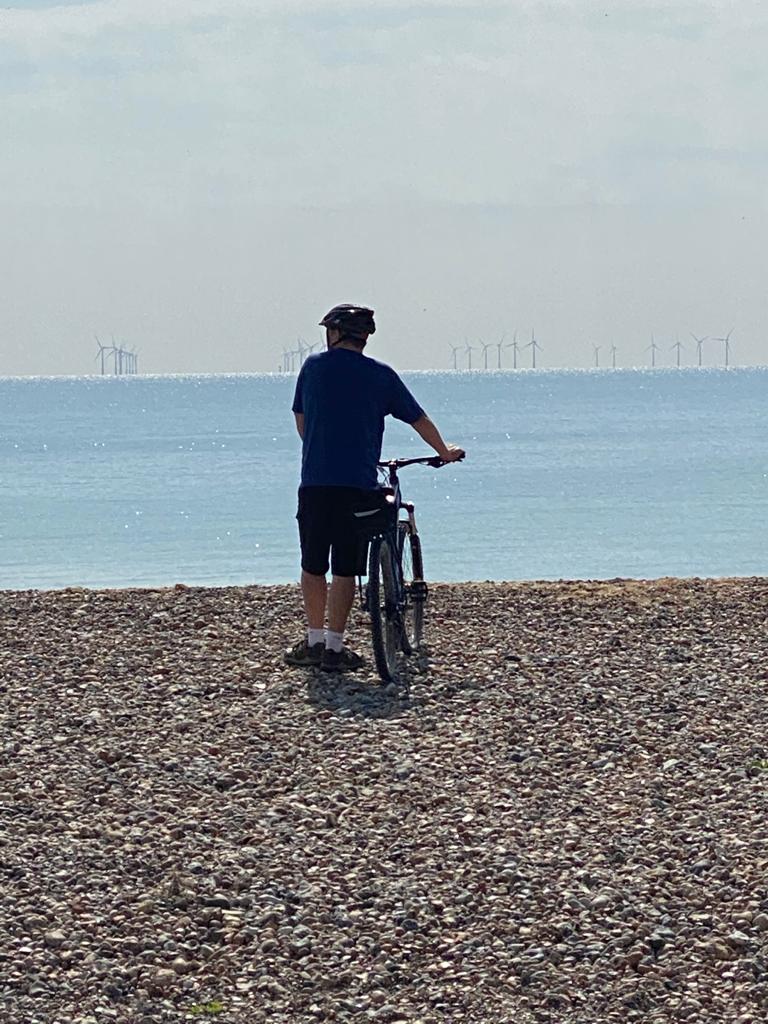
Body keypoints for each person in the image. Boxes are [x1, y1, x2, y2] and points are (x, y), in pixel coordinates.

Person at [284, 303, 465, 673]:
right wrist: (443, 452)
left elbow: (301, 421)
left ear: (335, 334)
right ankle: (336, 648)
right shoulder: (380, 375)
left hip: (316, 483)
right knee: (346, 568)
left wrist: (320, 446)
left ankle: (314, 641)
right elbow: (418, 418)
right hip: (358, 484)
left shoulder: (313, 367)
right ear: (364, 338)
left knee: (313, 564)